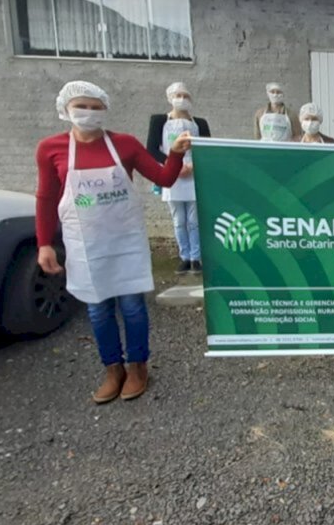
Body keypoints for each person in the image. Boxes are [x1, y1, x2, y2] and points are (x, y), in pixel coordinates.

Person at [36, 81, 191, 404]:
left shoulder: (125, 145)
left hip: (124, 241)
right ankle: (112, 369)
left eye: (95, 108)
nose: (88, 113)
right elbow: (46, 197)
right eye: (81, 107)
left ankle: (138, 366)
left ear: (104, 110)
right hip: (85, 245)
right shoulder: (51, 149)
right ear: (66, 109)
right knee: (97, 310)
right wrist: (44, 243)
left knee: (133, 307)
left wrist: (174, 155)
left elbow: (163, 179)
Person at [146, 82, 211, 274]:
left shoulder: (200, 123)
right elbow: (151, 150)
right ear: (170, 98)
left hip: (194, 173)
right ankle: (184, 256)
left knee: (194, 220)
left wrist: (193, 165)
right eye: (178, 95)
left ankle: (196, 258)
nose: (181, 99)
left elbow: (207, 148)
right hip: (172, 173)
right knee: (178, 220)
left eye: (185, 96)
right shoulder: (159, 121)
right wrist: (173, 163)